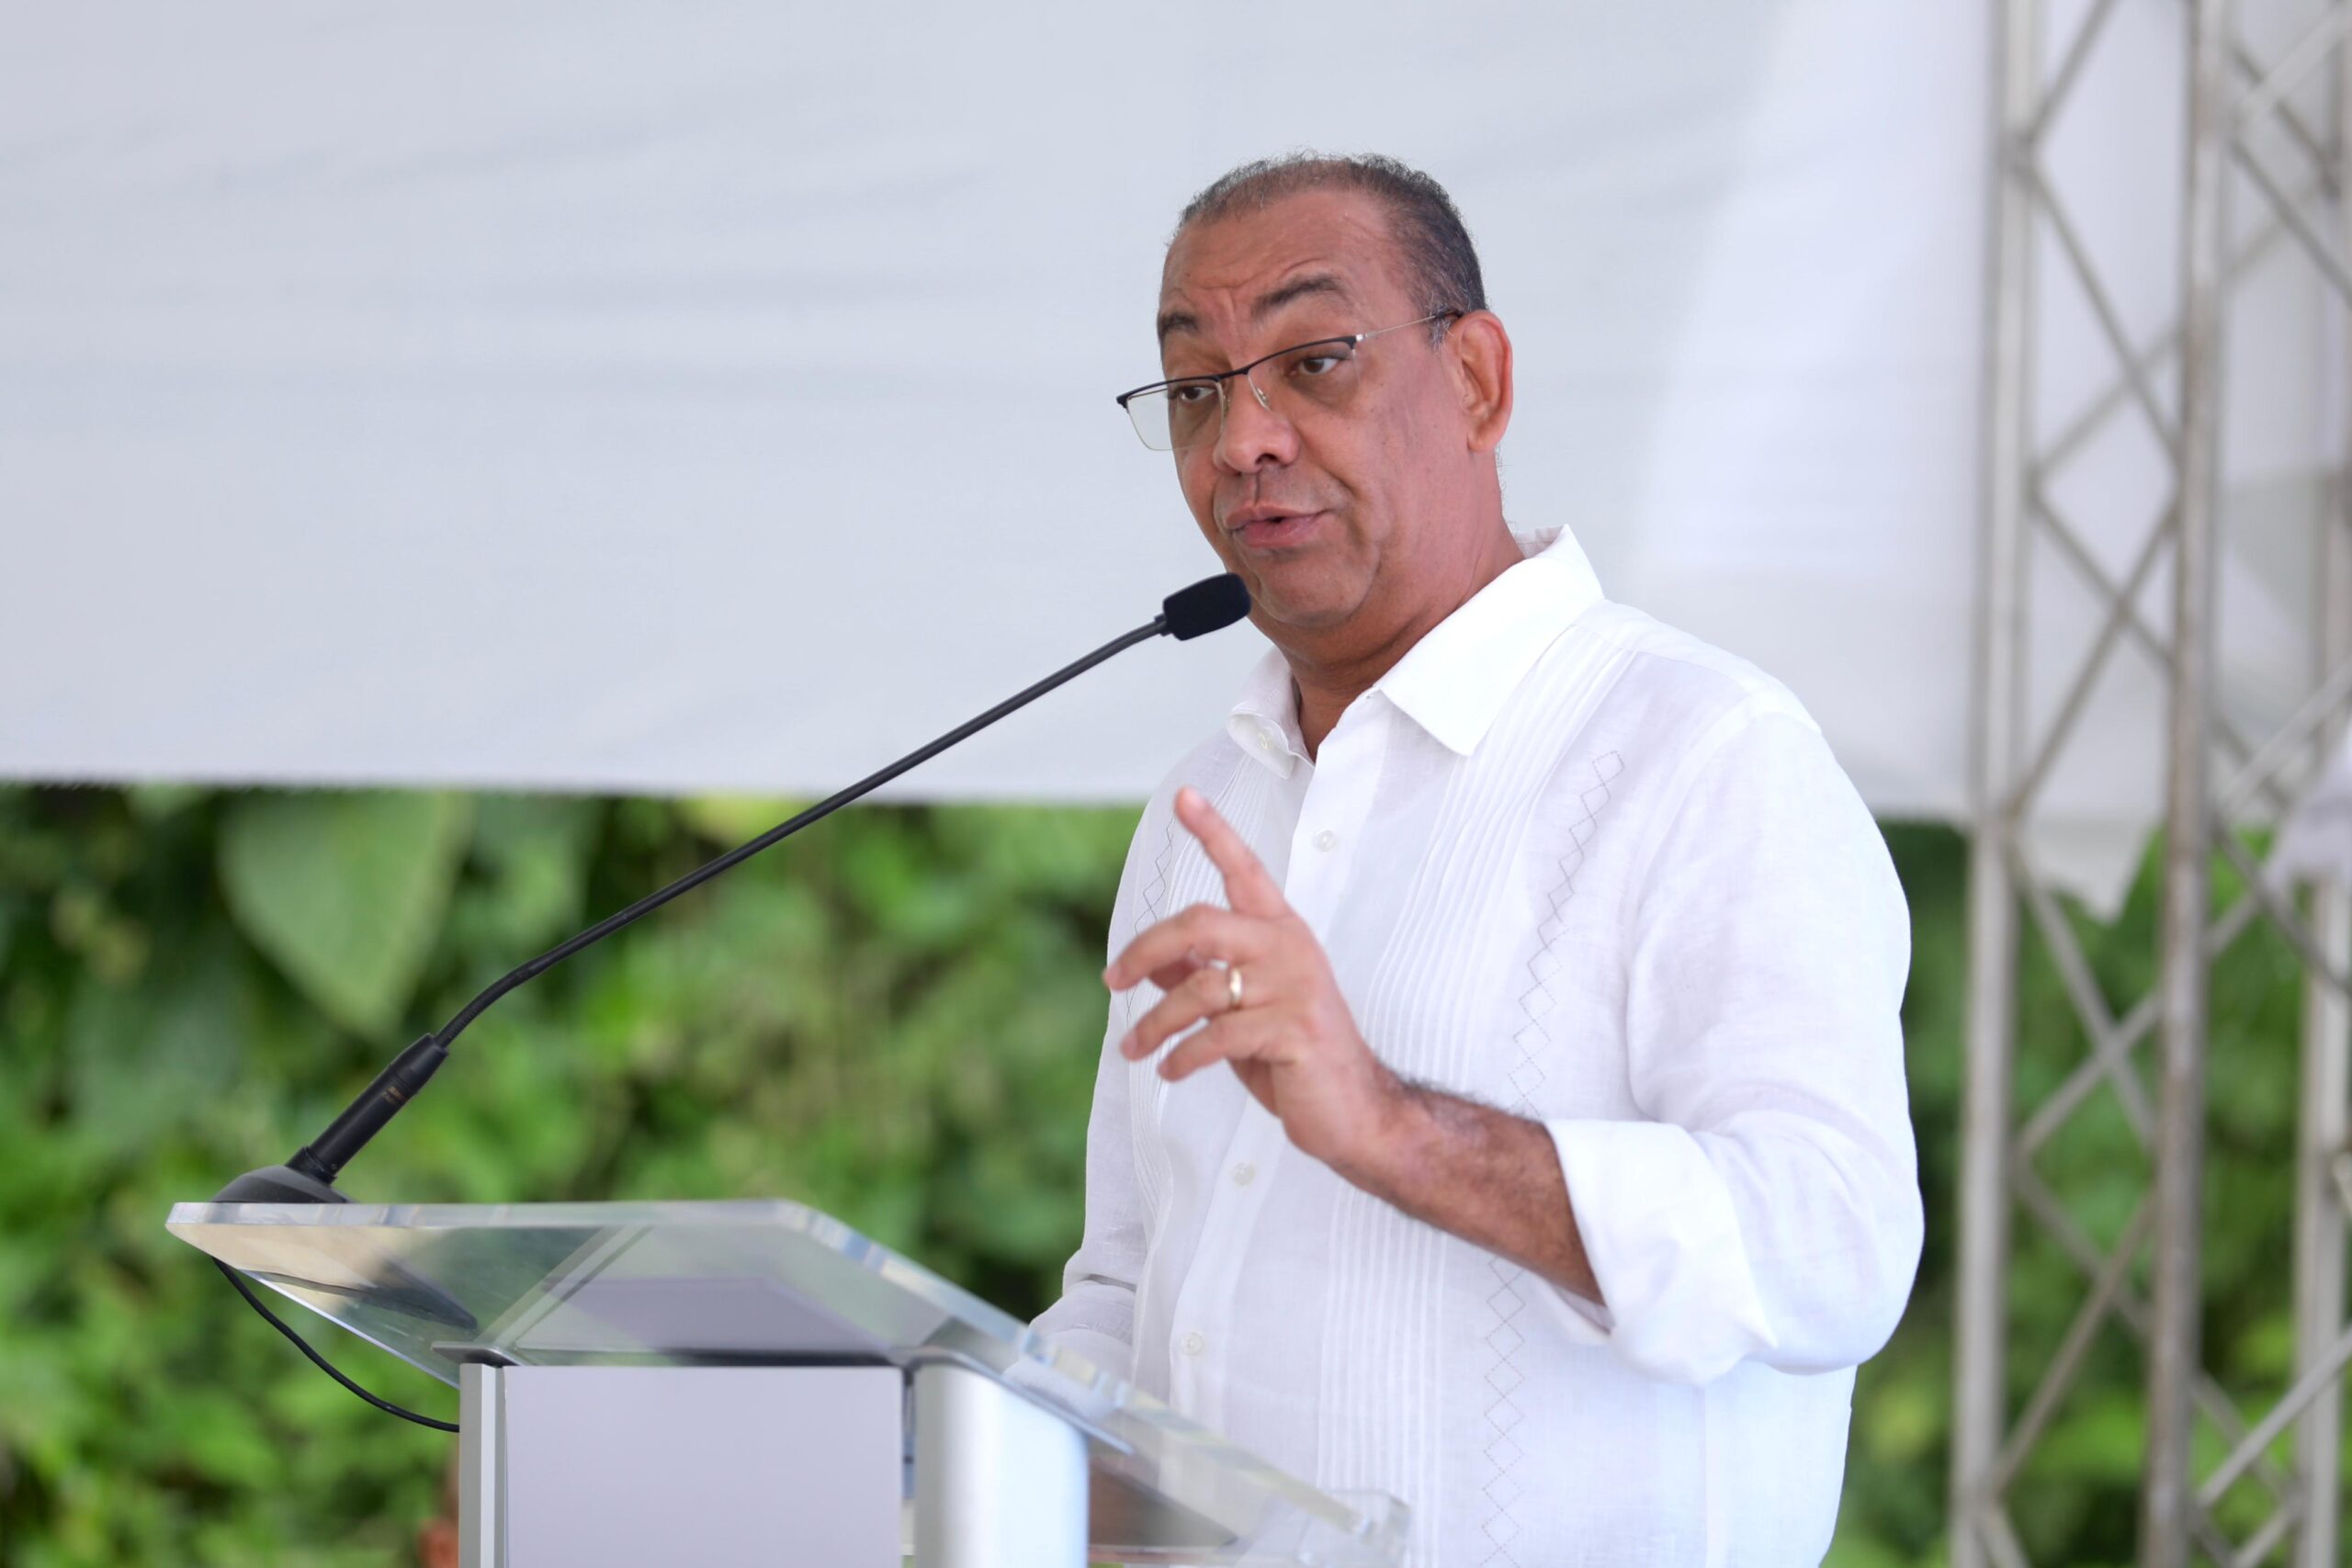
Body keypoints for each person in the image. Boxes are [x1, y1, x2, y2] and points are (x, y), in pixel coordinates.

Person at [1029, 152, 1923, 1567]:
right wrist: (961, 1459)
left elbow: (1832, 1248)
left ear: (1478, 383)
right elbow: (1136, 1290)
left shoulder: (1706, 754)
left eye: (1313, 362)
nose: (1242, 440)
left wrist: (1393, 1127)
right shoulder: (1204, 810)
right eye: (1196, 389)